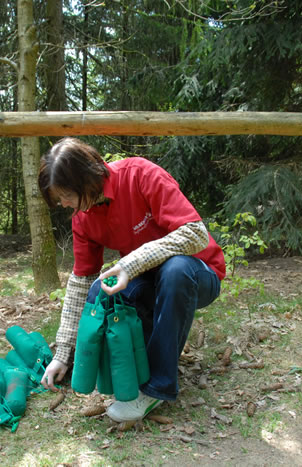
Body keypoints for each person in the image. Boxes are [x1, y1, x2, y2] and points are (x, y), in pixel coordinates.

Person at [38, 137, 226, 422]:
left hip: (198, 273)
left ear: (86, 179)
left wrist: (131, 263)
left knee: (175, 270)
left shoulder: (140, 175)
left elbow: (195, 234)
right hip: (149, 279)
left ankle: (156, 389)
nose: (64, 204)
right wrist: (63, 353)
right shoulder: (83, 216)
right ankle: (134, 369)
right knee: (100, 291)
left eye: (66, 195)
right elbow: (81, 281)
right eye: (59, 199)